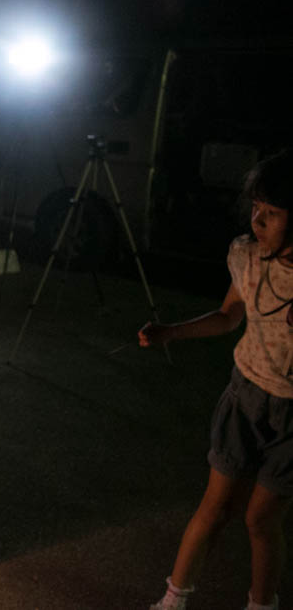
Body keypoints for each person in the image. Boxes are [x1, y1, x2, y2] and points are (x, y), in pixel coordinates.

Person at [139, 151, 293, 610]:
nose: (259, 220)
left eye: (273, 213)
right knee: (215, 507)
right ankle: (173, 599)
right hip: (245, 397)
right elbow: (229, 316)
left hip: (291, 416)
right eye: (256, 209)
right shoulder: (247, 257)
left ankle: (262, 604)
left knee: (261, 520)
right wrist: (171, 332)